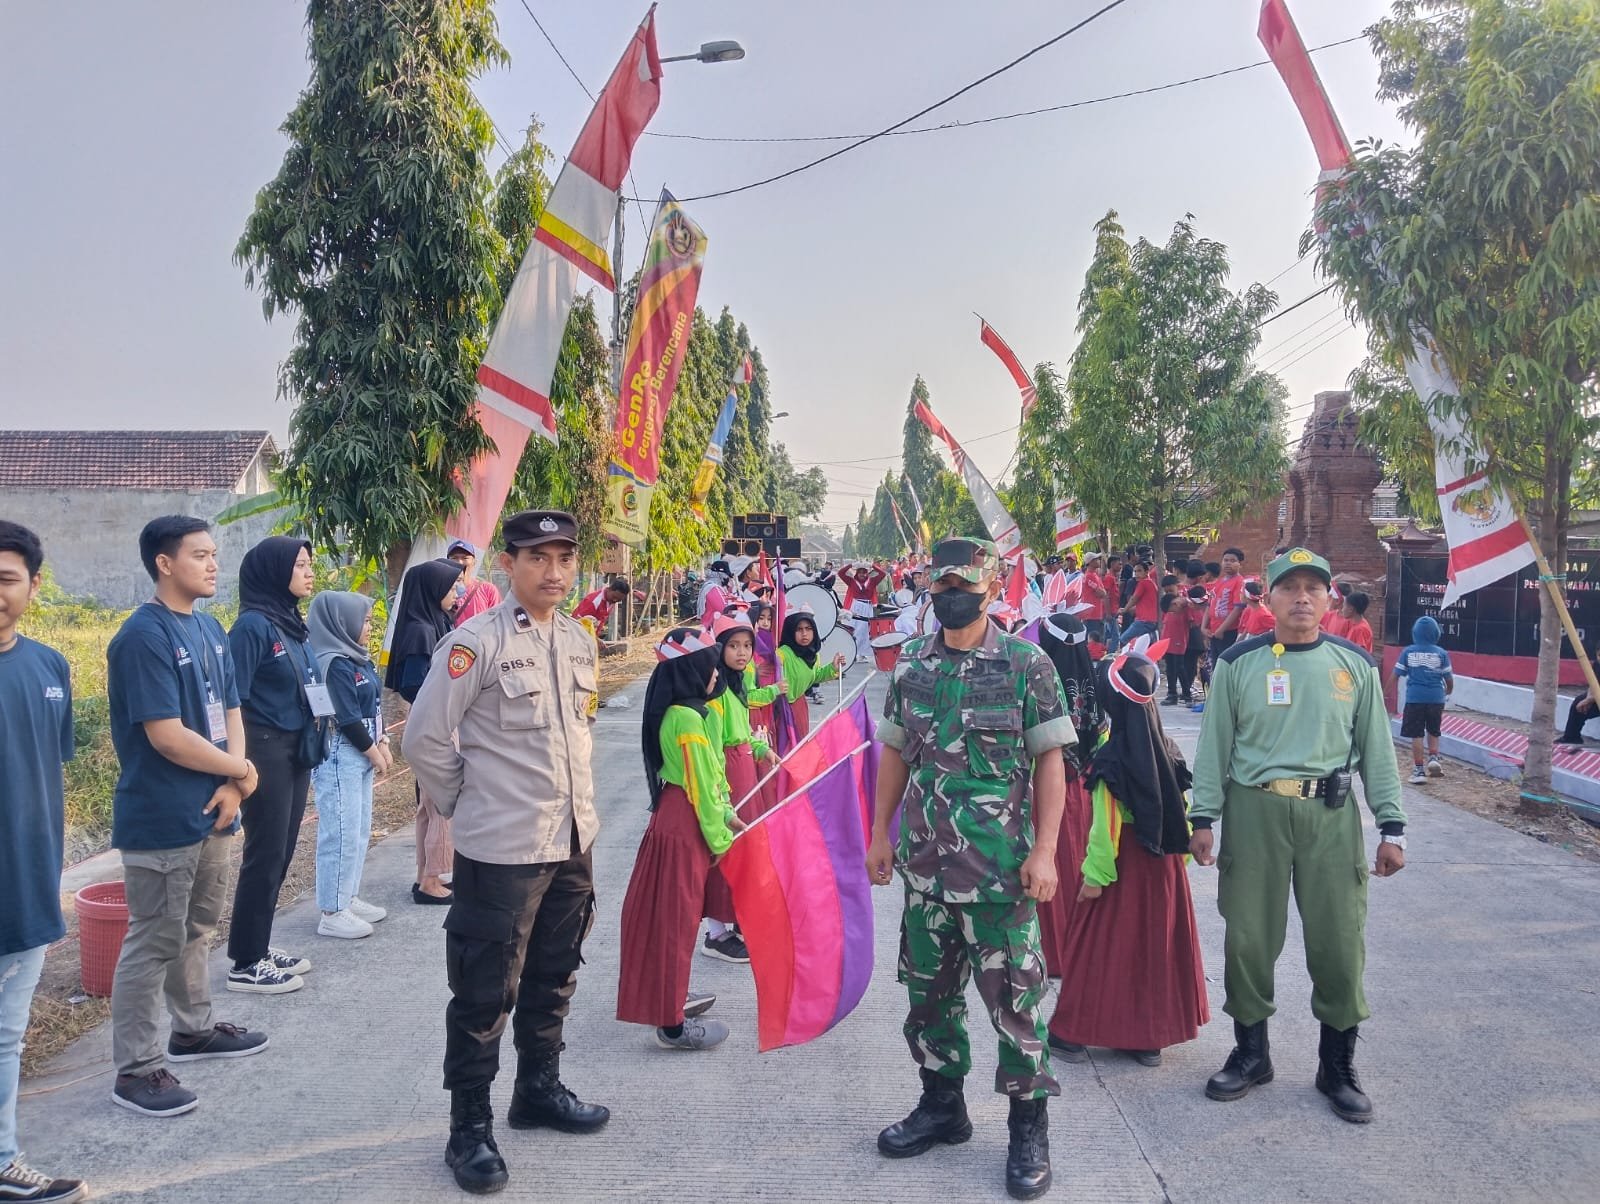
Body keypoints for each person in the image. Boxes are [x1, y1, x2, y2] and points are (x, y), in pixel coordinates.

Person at [403, 510, 608, 1195]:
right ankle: (469, 1129)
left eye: (564, 558)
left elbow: (578, 734)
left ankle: (538, 1091)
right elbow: (426, 738)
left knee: (555, 973)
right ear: (509, 566)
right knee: (485, 991)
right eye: (538, 558)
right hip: (503, 850)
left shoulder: (581, 641)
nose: (553, 572)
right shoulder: (476, 643)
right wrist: (469, 801)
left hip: (571, 841)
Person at [866, 536, 1074, 1201]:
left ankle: (1027, 1130)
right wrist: (879, 833)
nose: (952, 590)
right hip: (925, 869)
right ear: (928, 586)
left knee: (1016, 1007)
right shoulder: (912, 668)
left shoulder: (1026, 664)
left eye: (966, 580)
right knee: (928, 1000)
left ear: (992, 584)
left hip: (1001, 876)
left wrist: (1044, 852)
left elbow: (1050, 763)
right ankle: (941, 1107)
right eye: (942, 580)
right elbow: (896, 754)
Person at [1189, 547, 1406, 1124]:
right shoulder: (1239, 664)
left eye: (1314, 587)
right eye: (1291, 588)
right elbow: (1214, 747)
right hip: (1254, 813)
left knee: (1339, 941)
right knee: (1249, 938)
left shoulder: (1354, 665)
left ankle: (1336, 1064)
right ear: (1272, 597)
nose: (1303, 597)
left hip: (1330, 819)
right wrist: (1202, 817)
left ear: (1330, 597)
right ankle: (1252, 1053)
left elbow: (1378, 754)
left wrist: (1392, 826)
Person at [106, 516, 267, 1119]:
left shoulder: (210, 630)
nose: (213, 564)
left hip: (216, 808)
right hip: (163, 816)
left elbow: (230, 707)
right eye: (199, 554)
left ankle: (193, 1030)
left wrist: (234, 778)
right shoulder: (142, 637)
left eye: (214, 554)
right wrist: (243, 771)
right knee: (154, 939)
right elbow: (167, 736)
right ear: (164, 563)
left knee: (197, 929)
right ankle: (138, 1069)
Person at [1047, 654, 1208, 1067]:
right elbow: (1181, 810)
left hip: (1120, 867)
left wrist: (1094, 876)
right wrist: (1179, 863)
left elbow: (1106, 828)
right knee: (1152, 949)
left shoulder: (1112, 759)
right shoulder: (1168, 750)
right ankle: (1146, 1039)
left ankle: (1073, 1033)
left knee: (1096, 951)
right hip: (1164, 867)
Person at [0, 522, 88, 1202]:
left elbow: (42, 775)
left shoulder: (49, 666)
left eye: (6, 579)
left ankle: (3, 1158)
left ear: (32, 584)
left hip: (28, 885)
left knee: (8, 1038)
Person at [617, 628, 739, 1053]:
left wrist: (724, 814)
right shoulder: (688, 718)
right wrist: (722, 837)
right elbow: (702, 787)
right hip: (684, 824)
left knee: (673, 918)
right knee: (676, 923)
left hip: (677, 816)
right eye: (711, 666)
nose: (716, 674)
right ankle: (671, 1025)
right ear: (693, 670)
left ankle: (670, 997)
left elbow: (705, 781)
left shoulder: (683, 711)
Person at [225, 537, 322, 994]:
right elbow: (234, 699)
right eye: (300, 564)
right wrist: (237, 765)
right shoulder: (252, 628)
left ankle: (259, 947)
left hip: (294, 750)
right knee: (264, 854)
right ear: (273, 571)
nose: (309, 571)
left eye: (309, 564)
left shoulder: (290, 624)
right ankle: (245, 961)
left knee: (282, 851)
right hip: (263, 751)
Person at [308, 591, 390, 940]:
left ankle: (348, 897)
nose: (369, 627)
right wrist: (375, 752)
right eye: (366, 620)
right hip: (343, 753)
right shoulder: (333, 662)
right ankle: (332, 910)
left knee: (357, 831)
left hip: (364, 751)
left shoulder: (359, 659)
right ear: (342, 622)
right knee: (339, 832)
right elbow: (346, 717)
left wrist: (382, 742)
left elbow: (374, 705)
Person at [387, 557, 465, 905]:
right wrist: (443, 703)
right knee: (443, 807)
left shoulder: (436, 621)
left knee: (428, 808)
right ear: (432, 591)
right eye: (450, 588)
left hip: (439, 723)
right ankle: (433, 880)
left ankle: (424, 875)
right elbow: (412, 684)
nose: (457, 592)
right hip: (437, 728)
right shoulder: (421, 630)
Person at [1034, 613, 1103, 981]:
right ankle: (1080, 949)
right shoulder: (1093, 683)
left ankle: (1052, 951)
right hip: (1083, 789)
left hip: (1045, 786)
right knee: (1077, 863)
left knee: (1050, 863)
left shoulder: (1038, 682)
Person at [772, 611, 847, 744]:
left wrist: (833, 667)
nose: (804, 634)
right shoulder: (782, 654)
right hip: (780, 709)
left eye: (808, 629)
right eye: (799, 629)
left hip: (799, 707)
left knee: (800, 746)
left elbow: (815, 676)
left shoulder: (813, 654)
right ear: (791, 632)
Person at [1394, 615, 1454, 782]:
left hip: (1415, 699)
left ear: (1415, 633)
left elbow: (1396, 675)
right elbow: (1448, 679)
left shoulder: (1408, 652)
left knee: (1417, 734)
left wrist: (1382, 692)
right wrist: (1448, 691)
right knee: (1434, 730)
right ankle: (1434, 758)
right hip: (1436, 699)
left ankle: (1419, 770)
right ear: (1436, 633)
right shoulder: (1442, 653)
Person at [1202, 547, 1249, 664]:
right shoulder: (1220, 581)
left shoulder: (1239, 582)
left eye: (1232, 561)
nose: (1228, 563)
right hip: (1213, 630)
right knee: (1215, 665)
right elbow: (1210, 604)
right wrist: (1203, 627)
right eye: (1225, 560)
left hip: (1228, 631)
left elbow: (1238, 608)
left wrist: (1221, 630)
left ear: (1240, 564)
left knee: (1226, 665)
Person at [447, 539, 501, 626]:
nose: (459, 562)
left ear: (474, 562)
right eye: (454, 558)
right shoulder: (440, 590)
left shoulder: (488, 590)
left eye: (465, 558)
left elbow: (497, 623)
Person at [1158, 586, 1194, 707]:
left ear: (1175, 603)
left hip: (1179, 641)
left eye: (1172, 610)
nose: (1172, 612)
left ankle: (1187, 695)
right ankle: (1172, 694)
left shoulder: (1185, 607)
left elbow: (1192, 621)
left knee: (1180, 668)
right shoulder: (1169, 610)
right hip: (1167, 642)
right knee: (1170, 669)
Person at [1557, 647, 1600, 747]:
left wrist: (1590, 700)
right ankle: (1571, 737)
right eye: (1599, 655)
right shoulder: (1597, 664)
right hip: (1597, 696)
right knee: (1578, 701)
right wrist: (1588, 698)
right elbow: (1593, 684)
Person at [1119, 561, 1160, 645]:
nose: (1136, 574)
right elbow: (1145, 603)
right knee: (1141, 644)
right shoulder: (1151, 583)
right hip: (1150, 621)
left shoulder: (1144, 583)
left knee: (1123, 639)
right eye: (1135, 571)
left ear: (1146, 572)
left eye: (1139, 571)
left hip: (1143, 621)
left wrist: (1125, 610)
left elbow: (1134, 598)